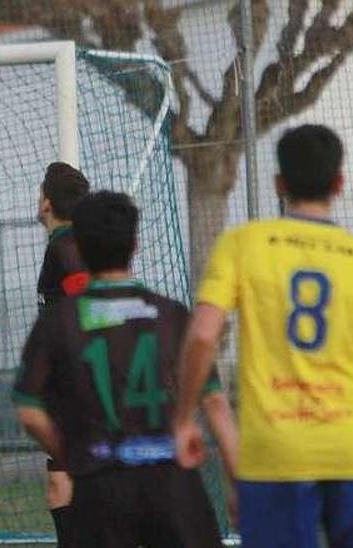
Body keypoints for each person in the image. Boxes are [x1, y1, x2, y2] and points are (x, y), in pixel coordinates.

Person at [174, 124, 353, 548]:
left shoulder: (244, 243)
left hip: (273, 451)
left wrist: (183, 417)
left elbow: (203, 335)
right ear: (339, 183)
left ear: (279, 183)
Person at [13, 191, 223, 547]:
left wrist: (71, 453)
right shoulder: (171, 315)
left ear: (79, 247)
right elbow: (213, 398)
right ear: (136, 245)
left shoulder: (59, 320)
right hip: (171, 483)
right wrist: (187, 425)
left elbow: (30, 412)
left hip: (100, 484)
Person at [32, 162, 89, 547]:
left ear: (47, 202)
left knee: (66, 488)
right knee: (62, 486)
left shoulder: (67, 248)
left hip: (79, 389)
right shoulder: (67, 244)